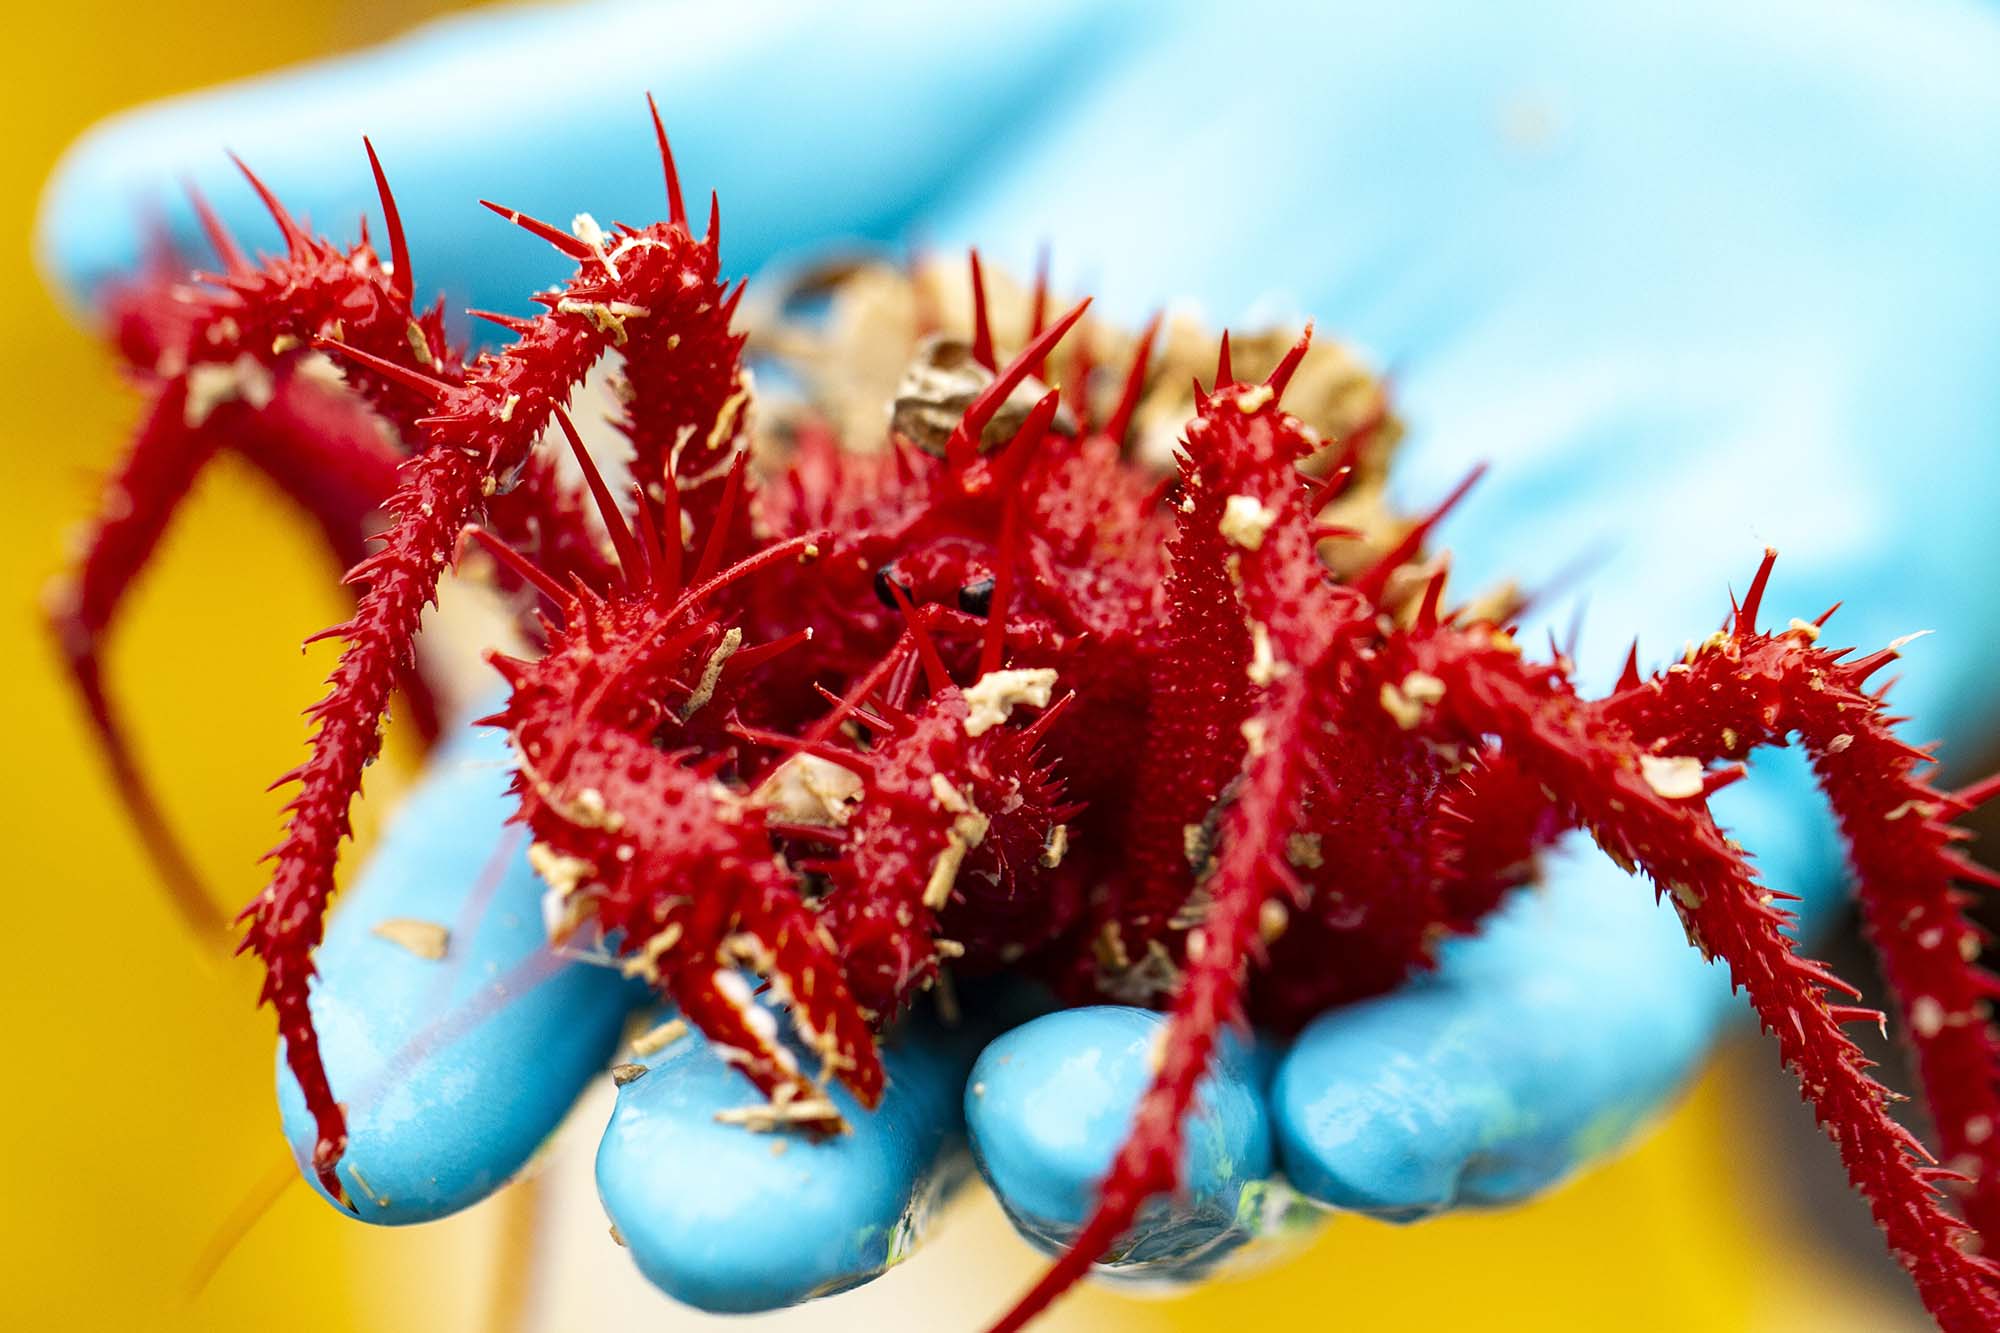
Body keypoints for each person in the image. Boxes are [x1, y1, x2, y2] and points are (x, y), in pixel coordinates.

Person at [37, 0, 2000, 1315]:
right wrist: (323, 875)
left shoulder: (1272, 604)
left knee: (1787, 698)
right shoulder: (785, 572)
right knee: (405, 301)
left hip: (1302, 880)